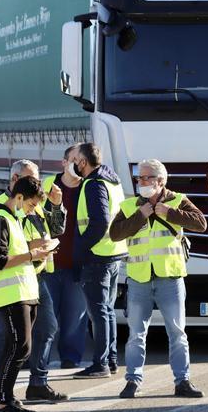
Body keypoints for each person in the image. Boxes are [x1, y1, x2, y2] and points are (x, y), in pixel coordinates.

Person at [110, 159, 207, 399]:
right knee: (135, 335)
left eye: (145, 178)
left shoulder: (177, 200)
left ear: (160, 181)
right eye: (139, 178)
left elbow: (201, 224)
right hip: (139, 279)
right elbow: (115, 234)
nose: (140, 182)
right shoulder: (131, 205)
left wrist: (171, 213)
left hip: (170, 278)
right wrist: (140, 216)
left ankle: (182, 382)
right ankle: (132, 381)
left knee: (177, 333)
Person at [0, 160, 68, 402]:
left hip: (35, 276)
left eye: (38, 178)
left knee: (47, 327)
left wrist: (57, 205)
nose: (38, 184)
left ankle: (38, 383)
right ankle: (2, 389)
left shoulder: (36, 200)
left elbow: (56, 230)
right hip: (13, 278)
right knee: (10, 338)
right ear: (15, 181)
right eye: (31, 179)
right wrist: (33, 248)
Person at [0, 175, 52, 412]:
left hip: (23, 292)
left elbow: (15, 249)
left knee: (21, 347)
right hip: (10, 295)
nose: (32, 210)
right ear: (19, 197)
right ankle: (3, 401)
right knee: (18, 347)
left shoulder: (13, 218)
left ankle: (7, 399)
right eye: (31, 204)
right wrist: (33, 255)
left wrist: (35, 247)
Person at [71, 143, 127, 379]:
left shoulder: (94, 184)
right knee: (107, 310)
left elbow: (100, 222)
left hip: (98, 256)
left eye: (75, 159)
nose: (74, 163)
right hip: (113, 252)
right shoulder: (112, 180)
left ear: (83, 162)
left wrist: (81, 247)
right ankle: (110, 360)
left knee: (99, 312)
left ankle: (101, 363)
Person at [41, 144, 87, 369]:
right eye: (74, 160)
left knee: (75, 317)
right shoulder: (49, 185)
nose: (78, 165)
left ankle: (70, 358)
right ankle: (40, 358)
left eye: (81, 160)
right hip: (49, 263)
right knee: (46, 318)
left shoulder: (89, 187)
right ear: (63, 162)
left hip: (77, 264)